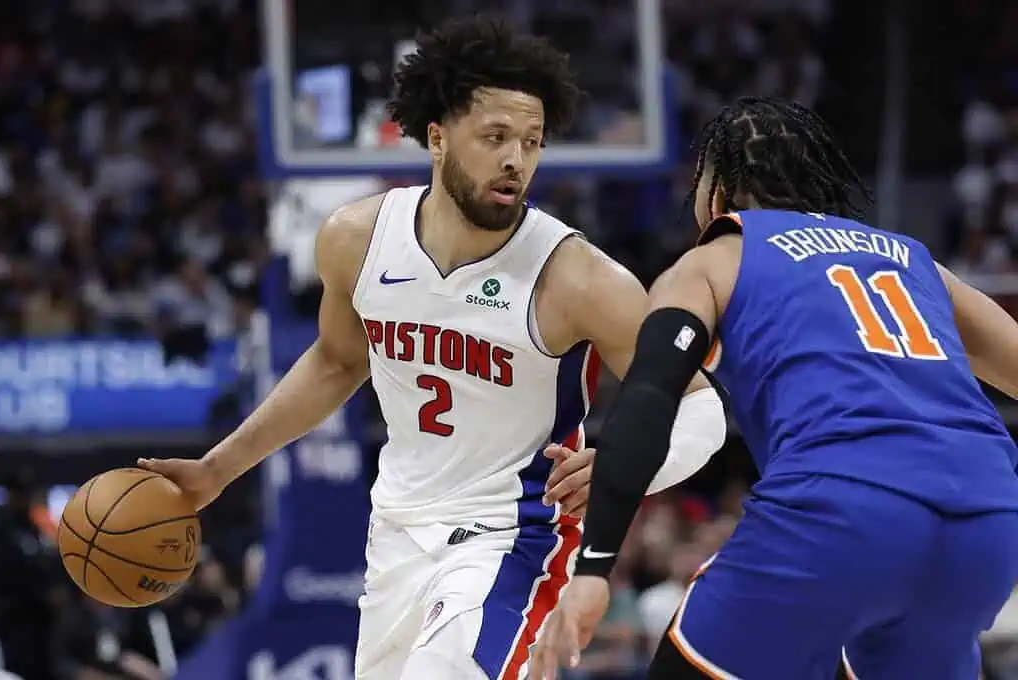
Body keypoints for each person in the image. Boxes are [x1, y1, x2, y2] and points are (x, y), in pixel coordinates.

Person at [138, 16, 726, 680]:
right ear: (438, 138)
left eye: (531, 143)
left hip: (513, 535)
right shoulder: (357, 239)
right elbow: (336, 363)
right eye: (496, 137)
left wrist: (629, 466)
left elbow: (703, 406)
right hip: (397, 534)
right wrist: (217, 470)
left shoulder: (576, 277)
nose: (515, 160)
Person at [532, 96, 1018, 680]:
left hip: (842, 507)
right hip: (988, 518)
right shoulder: (915, 262)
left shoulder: (715, 259)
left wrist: (594, 568)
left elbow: (651, 396)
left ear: (717, 193)